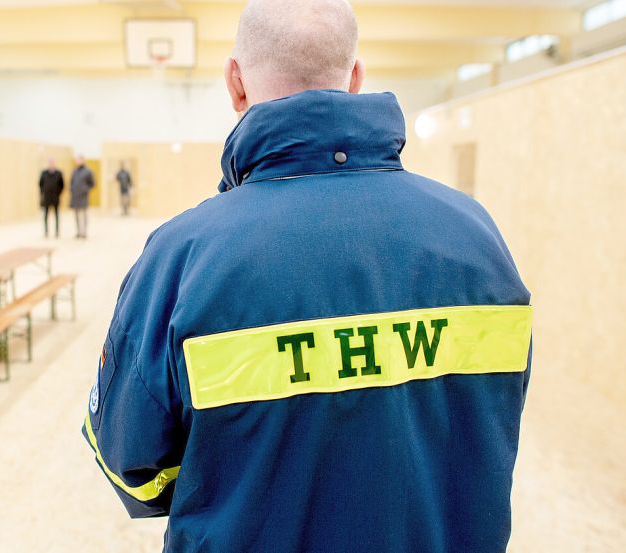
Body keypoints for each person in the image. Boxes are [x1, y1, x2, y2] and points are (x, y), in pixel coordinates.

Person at [82, 1, 533, 552]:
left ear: (235, 83)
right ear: (355, 77)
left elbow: (131, 465)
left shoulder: (182, 257)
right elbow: (488, 424)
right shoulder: (476, 236)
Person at [70, 156, 95, 239]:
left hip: (83, 196)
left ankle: (84, 232)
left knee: (83, 215)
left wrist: (85, 189)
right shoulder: (74, 171)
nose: (78, 162)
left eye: (80, 160)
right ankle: (78, 231)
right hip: (75, 196)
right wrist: (72, 189)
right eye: (77, 160)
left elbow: (92, 184)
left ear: (83, 161)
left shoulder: (88, 171)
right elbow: (71, 182)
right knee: (76, 215)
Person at [38, 159, 63, 238]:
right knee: (45, 215)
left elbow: (62, 185)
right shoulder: (44, 173)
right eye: (50, 163)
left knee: (56, 215)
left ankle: (57, 231)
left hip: (55, 197)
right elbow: (40, 184)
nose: (51, 164)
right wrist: (43, 192)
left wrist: (58, 193)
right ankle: (46, 231)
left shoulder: (58, 173)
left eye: (52, 163)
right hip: (47, 197)